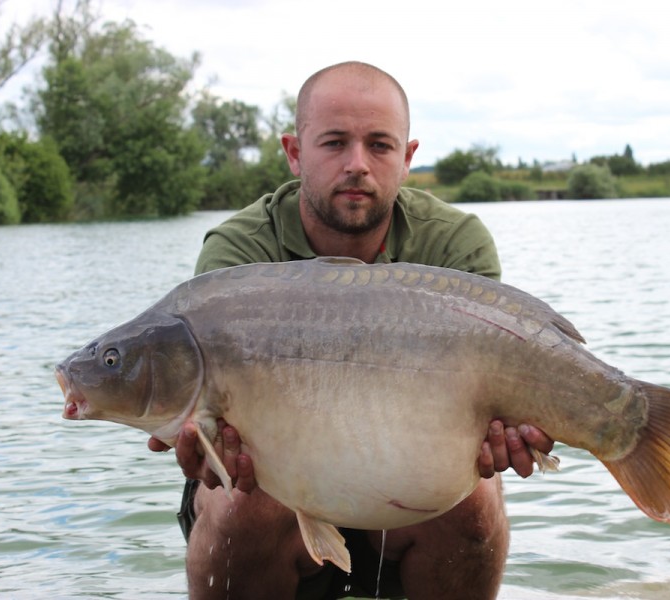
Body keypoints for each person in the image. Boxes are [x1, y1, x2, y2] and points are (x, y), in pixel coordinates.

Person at [149, 61, 555, 600]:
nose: (357, 165)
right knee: (240, 496)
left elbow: (495, 402)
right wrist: (198, 439)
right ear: (295, 153)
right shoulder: (238, 257)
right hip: (275, 485)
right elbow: (211, 417)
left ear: (408, 158)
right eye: (335, 143)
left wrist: (511, 431)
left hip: (415, 484)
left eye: (380, 146)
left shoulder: (456, 246)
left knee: (475, 501)